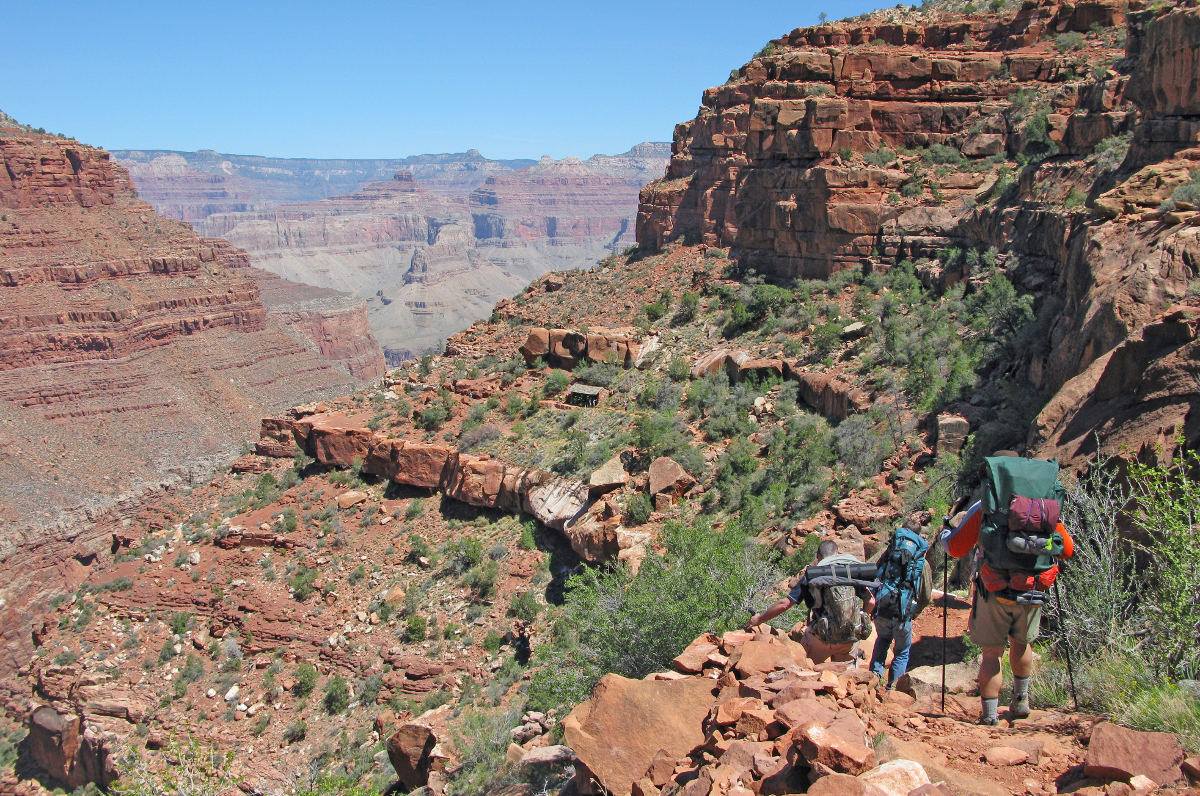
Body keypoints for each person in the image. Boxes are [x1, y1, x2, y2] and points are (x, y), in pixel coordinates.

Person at [942, 454, 1074, 725]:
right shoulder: (1042, 509)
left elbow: (956, 547)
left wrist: (944, 538)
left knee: (991, 653)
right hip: (1032, 589)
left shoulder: (987, 507)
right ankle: (1021, 701)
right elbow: (1068, 549)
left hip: (995, 589)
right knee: (1022, 643)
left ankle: (990, 716)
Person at [746, 539, 875, 665]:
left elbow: (784, 604)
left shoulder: (814, 574)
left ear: (818, 556)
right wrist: (859, 618)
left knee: (802, 666)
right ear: (837, 553)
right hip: (849, 638)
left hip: (822, 638)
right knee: (844, 676)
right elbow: (871, 602)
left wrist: (759, 619)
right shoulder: (848, 572)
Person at [869, 524, 933, 688]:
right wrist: (914, 612)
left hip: (883, 606)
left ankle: (872, 680)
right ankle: (893, 688)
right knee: (902, 651)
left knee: (882, 640)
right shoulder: (921, 563)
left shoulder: (890, 554)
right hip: (903, 612)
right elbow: (925, 596)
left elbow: (875, 576)